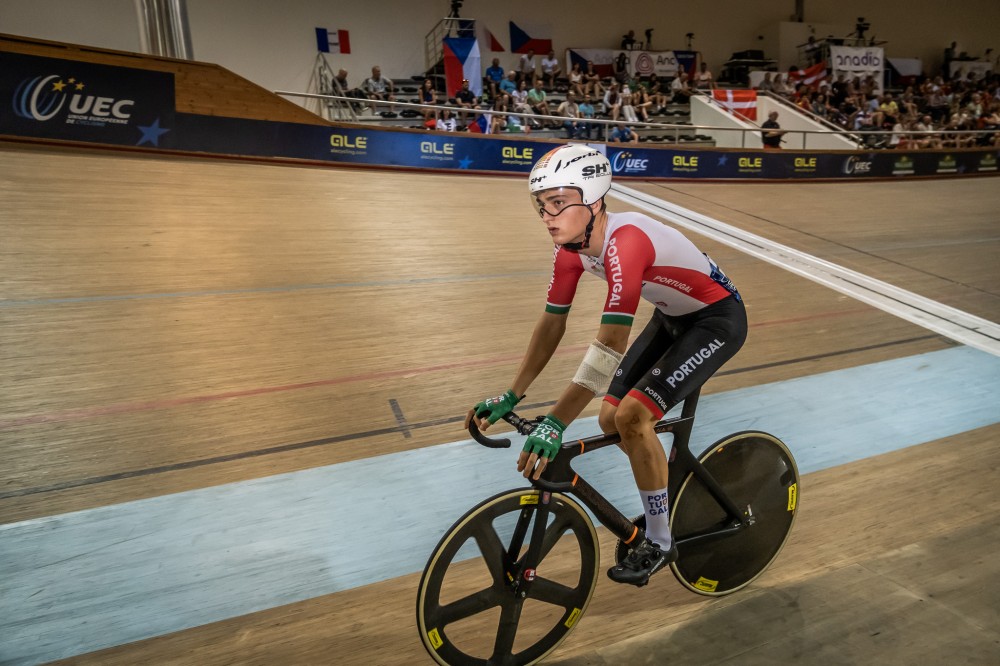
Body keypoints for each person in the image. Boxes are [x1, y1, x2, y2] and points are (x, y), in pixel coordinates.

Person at [467, 144, 747, 586]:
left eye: (559, 203)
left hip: (716, 321)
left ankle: (659, 539)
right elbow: (549, 328)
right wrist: (511, 394)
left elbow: (609, 346)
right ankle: (661, 479)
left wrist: (556, 422)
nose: (548, 216)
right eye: (542, 206)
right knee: (609, 419)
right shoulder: (570, 251)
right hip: (673, 318)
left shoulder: (626, 243)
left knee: (633, 417)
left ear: (594, 199)